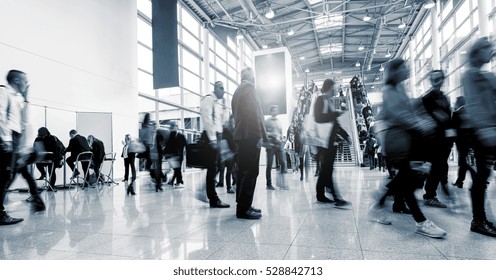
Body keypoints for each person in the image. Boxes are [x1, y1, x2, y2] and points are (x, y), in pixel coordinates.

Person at [368, 58, 447, 239]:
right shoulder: (389, 90)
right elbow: (398, 115)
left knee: (404, 178)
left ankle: (378, 203)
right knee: (406, 180)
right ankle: (421, 222)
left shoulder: (400, 89)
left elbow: (406, 110)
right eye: (403, 68)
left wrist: (419, 113)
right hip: (397, 139)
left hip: (405, 138)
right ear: (394, 71)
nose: (407, 70)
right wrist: (420, 123)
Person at [461, 37, 496, 237]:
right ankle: (479, 220)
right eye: (487, 48)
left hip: (490, 130)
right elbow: (474, 105)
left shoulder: (487, 75)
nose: (490, 50)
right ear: (476, 52)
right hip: (483, 132)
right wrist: (485, 129)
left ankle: (480, 219)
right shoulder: (470, 76)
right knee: (481, 178)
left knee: (483, 178)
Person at [1, 70, 45, 217]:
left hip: (15, 140)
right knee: (6, 176)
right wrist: (6, 139)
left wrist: (26, 100)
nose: (27, 85)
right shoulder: (3, 92)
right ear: (17, 80)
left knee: (8, 175)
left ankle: (1, 212)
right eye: (25, 81)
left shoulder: (15, 99)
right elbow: (0, 116)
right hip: (9, 139)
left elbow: (24, 122)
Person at [232, 67, 267, 219]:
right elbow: (255, 114)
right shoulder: (250, 89)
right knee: (252, 171)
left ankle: (243, 204)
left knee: (243, 171)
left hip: (241, 135)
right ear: (251, 77)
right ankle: (244, 209)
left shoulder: (237, 91)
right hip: (251, 134)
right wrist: (260, 135)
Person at [420, 70, 456, 209]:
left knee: (438, 166)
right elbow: (433, 117)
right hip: (433, 140)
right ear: (430, 80)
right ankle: (429, 195)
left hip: (443, 139)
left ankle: (430, 193)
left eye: (440, 78)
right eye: (435, 79)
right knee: (434, 167)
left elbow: (446, 118)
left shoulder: (443, 97)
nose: (438, 81)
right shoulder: (428, 98)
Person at [314, 79, 351, 207]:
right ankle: (336, 197)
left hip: (330, 139)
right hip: (324, 140)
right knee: (327, 168)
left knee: (327, 169)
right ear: (329, 87)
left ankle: (321, 194)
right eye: (334, 88)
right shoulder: (321, 99)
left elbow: (335, 123)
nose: (336, 90)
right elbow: (318, 117)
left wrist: (346, 136)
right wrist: (335, 113)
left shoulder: (328, 101)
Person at [200, 81, 229, 208]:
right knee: (213, 167)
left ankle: (205, 191)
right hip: (211, 136)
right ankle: (213, 198)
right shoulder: (209, 99)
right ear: (215, 88)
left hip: (217, 136)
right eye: (221, 88)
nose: (223, 90)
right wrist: (212, 139)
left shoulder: (218, 103)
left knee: (217, 166)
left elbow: (222, 122)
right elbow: (206, 118)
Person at [451, 96, 475, 189]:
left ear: (458, 103)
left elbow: (453, 129)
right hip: (469, 142)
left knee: (464, 162)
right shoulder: (469, 112)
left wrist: (451, 141)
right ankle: (459, 181)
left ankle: (462, 181)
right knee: (464, 162)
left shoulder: (456, 113)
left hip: (460, 142)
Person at [264, 105, 287, 190]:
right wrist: (271, 134)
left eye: (276, 110)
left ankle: (281, 182)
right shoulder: (266, 121)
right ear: (270, 112)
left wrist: (281, 138)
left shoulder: (279, 122)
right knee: (269, 164)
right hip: (270, 144)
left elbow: (281, 132)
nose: (276, 111)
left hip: (278, 144)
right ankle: (268, 184)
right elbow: (264, 132)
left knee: (283, 162)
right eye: (274, 110)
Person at [165, 121, 187, 187]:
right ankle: (178, 182)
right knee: (177, 169)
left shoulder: (178, 135)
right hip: (176, 155)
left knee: (177, 169)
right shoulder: (173, 135)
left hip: (177, 155)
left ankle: (173, 181)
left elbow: (184, 145)